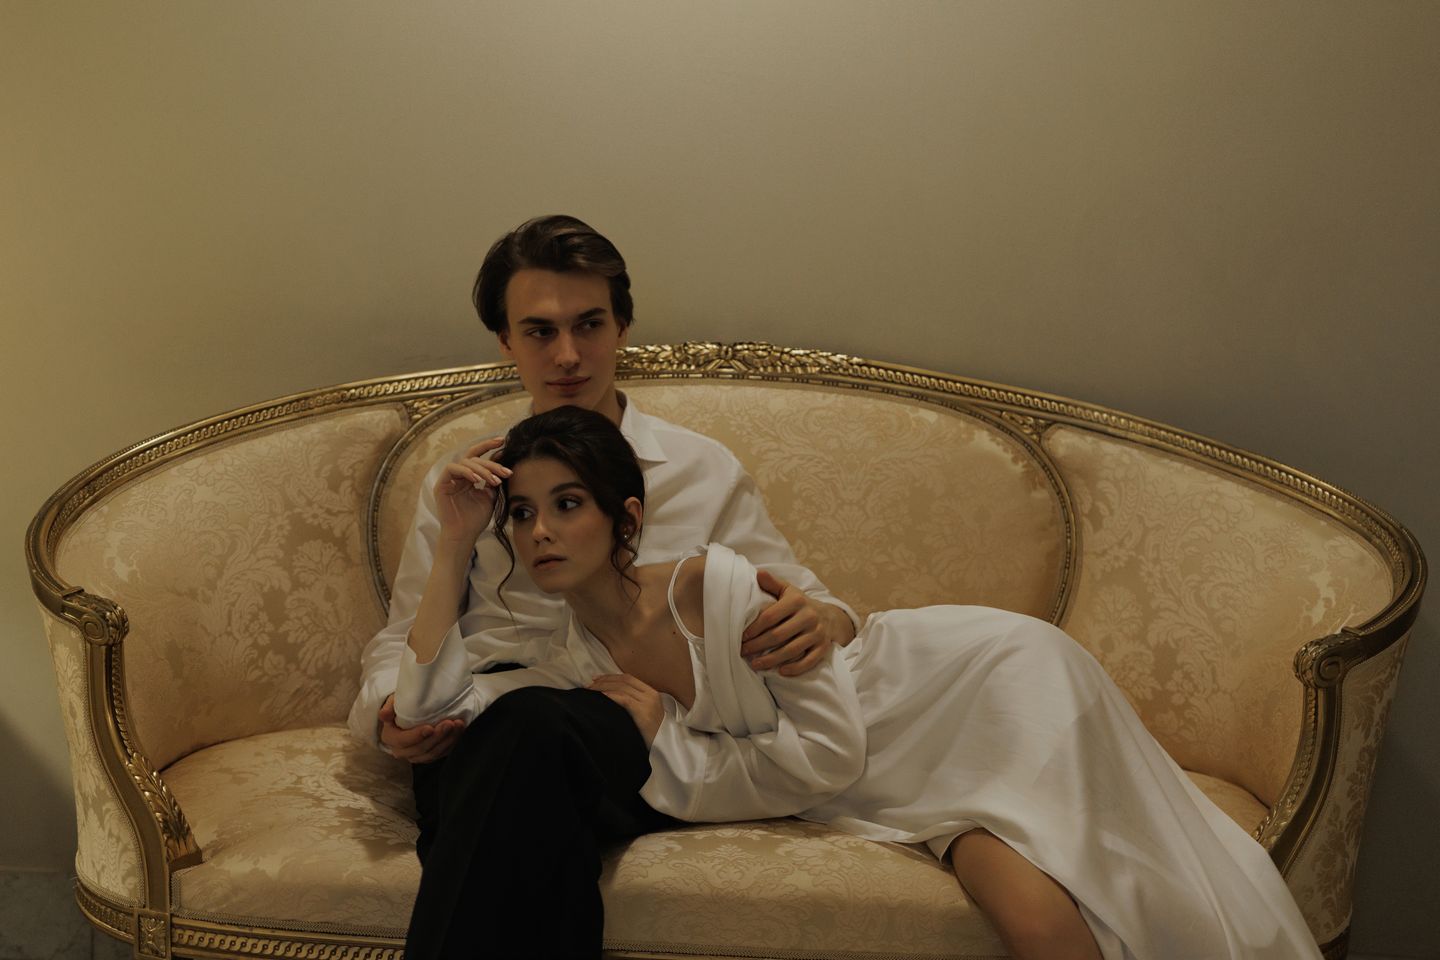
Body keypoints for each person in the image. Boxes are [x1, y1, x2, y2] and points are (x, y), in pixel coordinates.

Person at [396, 405, 1325, 960]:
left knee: (1139, 887)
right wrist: (453, 540)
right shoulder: (564, 653)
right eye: (523, 514)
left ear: (623, 517)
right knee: (1039, 924)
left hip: (969, 689)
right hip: (881, 777)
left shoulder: (715, 588)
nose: (541, 532)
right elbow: (430, 706)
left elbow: (827, 754)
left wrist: (664, 740)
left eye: (568, 504)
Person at [347, 215, 858, 958]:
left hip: (622, 732)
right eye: (539, 331)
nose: (567, 355)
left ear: (622, 328)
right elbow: (402, 638)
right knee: (518, 764)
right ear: (506, 341)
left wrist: (826, 620)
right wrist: (388, 716)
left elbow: (805, 596)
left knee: (532, 737)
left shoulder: (699, 469)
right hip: (475, 722)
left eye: (588, 324)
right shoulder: (468, 481)